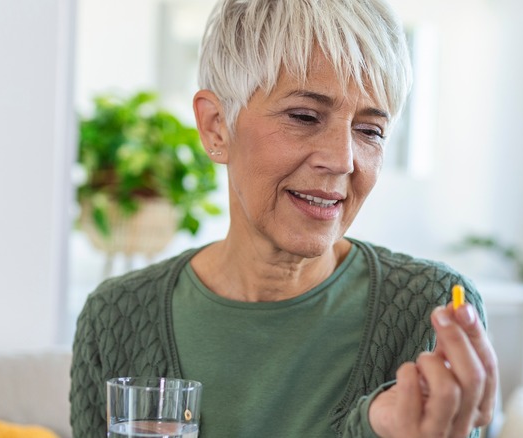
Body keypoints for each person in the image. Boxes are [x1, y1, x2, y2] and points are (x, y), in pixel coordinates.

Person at [69, 0, 498, 436]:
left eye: (370, 131)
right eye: (304, 116)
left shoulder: (434, 309)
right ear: (217, 126)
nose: (342, 160)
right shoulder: (115, 318)